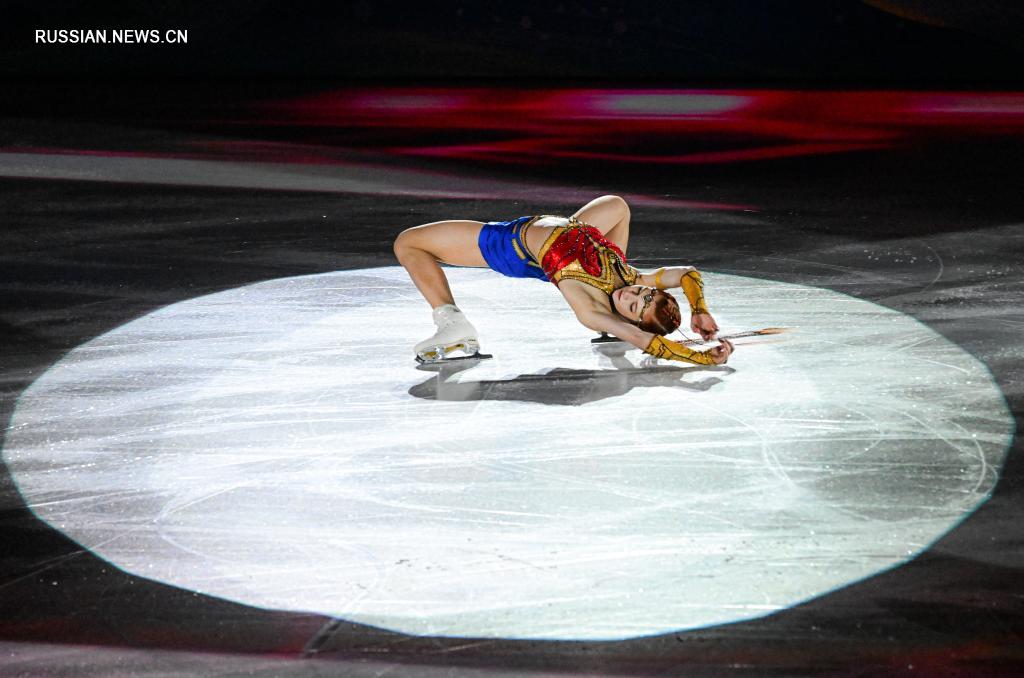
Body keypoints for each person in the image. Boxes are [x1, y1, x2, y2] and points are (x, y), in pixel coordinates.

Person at [393, 195, 734, 365]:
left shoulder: (589, 309)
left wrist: (701, 358)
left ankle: (452, 321)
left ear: (628, 320)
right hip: (563, 229)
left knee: (408, 243)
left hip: (510, 245)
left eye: (632, 305)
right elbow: (688, 273)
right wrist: (699, 309)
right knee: (618, 205)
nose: (632, 293)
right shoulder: (629, 276)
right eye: (643, 293)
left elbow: (639, 339)